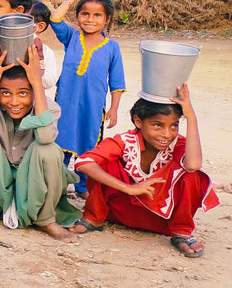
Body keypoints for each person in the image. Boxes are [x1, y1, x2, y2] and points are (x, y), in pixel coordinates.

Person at [0, 46, 80, 242]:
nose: (13, 101)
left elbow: (45, 138)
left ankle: (45, 218)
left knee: (49, 150)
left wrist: (37, 84)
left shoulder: (47, 107)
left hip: (31, 181)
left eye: (23, 93)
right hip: (0, 179)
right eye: (5, 93)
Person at [72, 90, 220, 258]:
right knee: (103, 162)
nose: (167, 134)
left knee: (192, 174)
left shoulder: (178, 145)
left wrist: (191, 117)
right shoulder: (126, 141)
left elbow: (193, 165)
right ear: (138, 121)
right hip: (119, 212)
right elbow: (83, 162)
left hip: (162, 219)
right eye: (157, 125)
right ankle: (94, 218)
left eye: (174, 125)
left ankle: (182, 233)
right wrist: (128, 188)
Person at [50, 0, 126, 196]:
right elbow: (55, 20)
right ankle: (58, 183)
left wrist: (114, 109)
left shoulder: (112, 48)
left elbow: (117, 82)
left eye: (97, 15)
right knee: (60, 141)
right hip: (65, 104)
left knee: (89, 143)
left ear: (107, 19)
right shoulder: (72, 37)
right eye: (85, 14)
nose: (90, 19)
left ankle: (83, 186)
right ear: (78, 16)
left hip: (92, 108)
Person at [29, 1, 59, 95]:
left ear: (39, 27)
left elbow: (49, 82)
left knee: (52, 110)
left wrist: (35, 70)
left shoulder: (47, 52)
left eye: (23, 21)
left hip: (36, 100)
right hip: (10, 101)